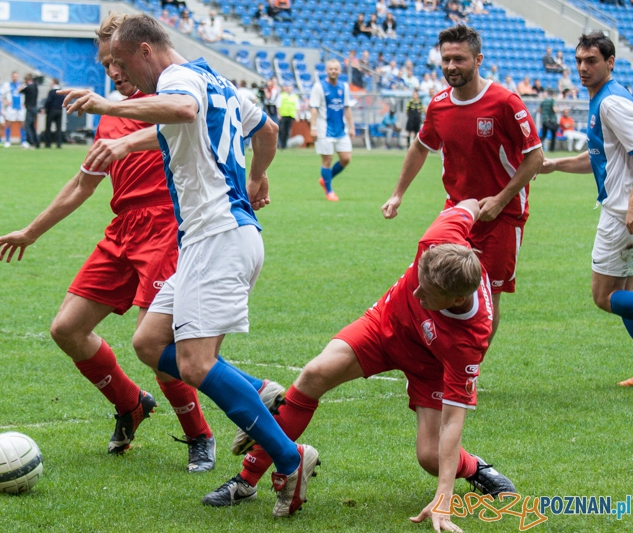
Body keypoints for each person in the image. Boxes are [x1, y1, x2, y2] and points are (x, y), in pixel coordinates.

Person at [59, 13, 318, 517]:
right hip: (219, 236)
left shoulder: (178, 80)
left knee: (196, 362)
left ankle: (290, 459)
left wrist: (112, 105)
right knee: (150, 343)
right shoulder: (215, 78)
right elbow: (264, 130)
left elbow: (179, 107)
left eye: (124, 64)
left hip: (218, 237)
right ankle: (260, 395)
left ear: (146, 51)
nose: (126, 77)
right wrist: (258, 178)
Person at [202, 201, 517, 532]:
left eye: (429, 293)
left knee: (430, 456)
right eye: (418, 278)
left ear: (455, 300)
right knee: (314, 375)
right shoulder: (439, 237)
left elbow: (453, 422)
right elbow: (469, 204)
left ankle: (476, 469)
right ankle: (246, 480)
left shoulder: (468, 339)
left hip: (430, 364)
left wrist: (444, 496)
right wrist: (488, 203)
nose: (417, 290)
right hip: (385, 326)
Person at [0, 13, 217, 470]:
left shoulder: (174, 95)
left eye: (117, 60)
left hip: (166, 230)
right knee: (66, 329)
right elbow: (82, 185)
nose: (113, 71)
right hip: (122, 231)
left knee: (154, 344)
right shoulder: (108, 115)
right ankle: (130, 403)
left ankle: (199, 435)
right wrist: (30, 232)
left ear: (140, 53)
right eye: (105, 62)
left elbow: (200, 132)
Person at [382, 25, 543, 345]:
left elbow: (535, 157)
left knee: (487, 293)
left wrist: (500, 198)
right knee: (435, 283)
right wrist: (398, 193)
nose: (451, 66)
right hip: (456, 211)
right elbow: (420, 146)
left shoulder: (505, 102)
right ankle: (437, 355)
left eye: (459, 59)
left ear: (478, 59)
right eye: (445, 60)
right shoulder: (439, 104)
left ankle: (469, 367)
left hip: (503, 215)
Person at [540, 33, 633, 386]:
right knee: (628, 287)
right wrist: (555, 165)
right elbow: (601, 157)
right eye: (579, 60)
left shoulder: (611, 103)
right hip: (622, 209)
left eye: (591, 60)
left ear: (610, 62)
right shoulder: (605, 99)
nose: (583, 68)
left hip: (621, 212)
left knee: (604, 295)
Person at [310, 59, 355, 202]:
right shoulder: (319, 87)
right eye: (331, 69)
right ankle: (329, 191)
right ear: (327, 71)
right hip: (324, 129)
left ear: (340, 71)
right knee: (327, 160)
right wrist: (313, 128)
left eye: (336, 69)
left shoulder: (344, 87)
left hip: (341, 129)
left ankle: (325, 180)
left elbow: (347, 107)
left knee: (346, 158)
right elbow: (314, 109)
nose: (333, 71)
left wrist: (351, 126)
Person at [2, 72, 27, 147]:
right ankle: (7, 140)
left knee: (22, 124)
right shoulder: (7, 85)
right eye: (14, 77)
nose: (15, 78)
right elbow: (1, 95)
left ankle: (23, 141)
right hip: (11, 107)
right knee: (9, 123)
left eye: (16, 77)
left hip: (20, 107)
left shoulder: (23, 85)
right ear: (11, 77)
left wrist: (25, 103)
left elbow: (27, 94)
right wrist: (6, 102)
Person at [42, 78, 65, 149]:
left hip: (51, 111)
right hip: (59, 111)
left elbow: (48, 101)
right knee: (58, 128)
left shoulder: (52, 92)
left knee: (48, 127)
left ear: (54, 83)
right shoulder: (61, 92)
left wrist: (45, 108)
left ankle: (48, 143)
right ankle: (59, 143)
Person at [21, 73, 40, 149]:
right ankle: (37, 142)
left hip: (29, 108)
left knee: (27, 126)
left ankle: (30, 142)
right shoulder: (35, 87)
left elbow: (19, 90)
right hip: (34, 108)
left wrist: (23, 84)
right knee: (32, 126)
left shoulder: (28, 87)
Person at [276, 84, 298, 149]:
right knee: (281, 130)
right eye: (288, 89)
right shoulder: (282, 95)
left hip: (291, 115)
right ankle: (280, 144)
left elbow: (297, 107)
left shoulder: (295, 97)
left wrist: (297, 115)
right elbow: (278, 105)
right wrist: (278, 114)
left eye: (290, 89)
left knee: (287, 131)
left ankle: (284, 145)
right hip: (283, 115)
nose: (289, 90)